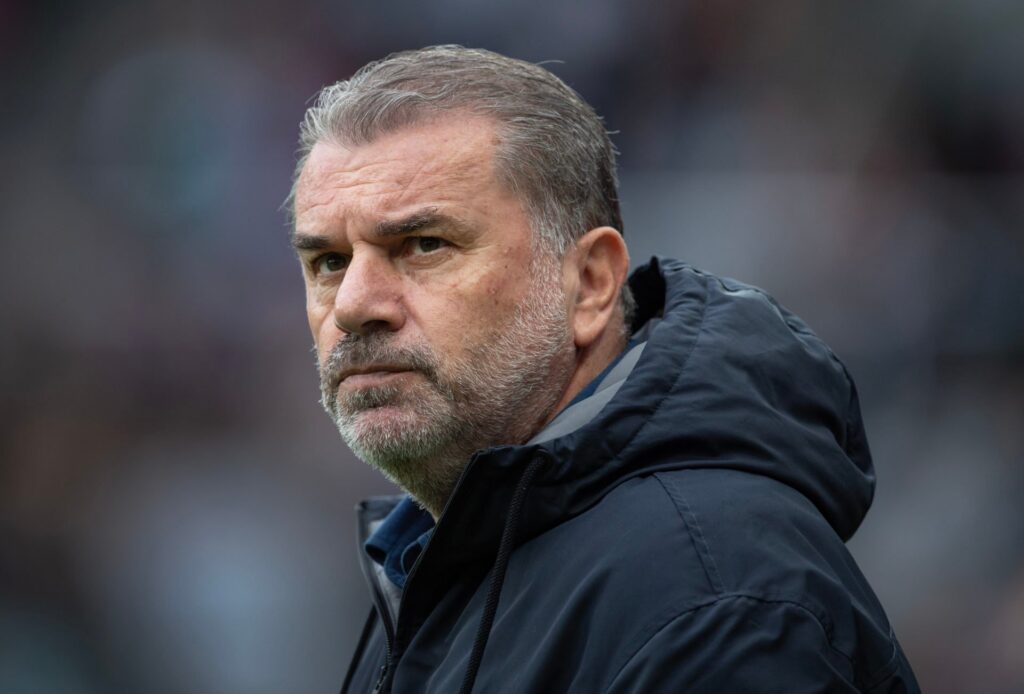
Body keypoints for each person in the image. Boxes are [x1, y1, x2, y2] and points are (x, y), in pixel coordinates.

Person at [287, 45, 920, 693]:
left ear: (589, 284)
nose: (355, 304)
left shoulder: (718, 600)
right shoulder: (438, 555)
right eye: (328, 262)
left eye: (424, 245)